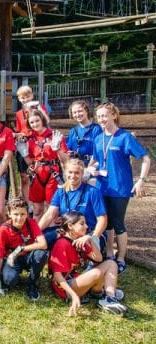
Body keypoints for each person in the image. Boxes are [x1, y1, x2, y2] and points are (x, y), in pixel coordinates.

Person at [89, 102, 150, 274]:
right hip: (102, 187)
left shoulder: (125, 137)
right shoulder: (98, 138)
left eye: (104, 115)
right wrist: (89, 169)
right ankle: (109, 253)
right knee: (105, 222)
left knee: (118, 223)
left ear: (113, 116)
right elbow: (95, 159)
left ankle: (121, 257)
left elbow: (145, 159)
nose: (101, 119)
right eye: (99, 116)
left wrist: (141, 181)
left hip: (120, 188)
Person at [48, 211, 127, 316]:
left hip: (79, 279)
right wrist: (73, 296)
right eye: (82, 223)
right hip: (66, 287)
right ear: (70, 226)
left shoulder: (80, 241)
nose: (86, 226)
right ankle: (97, 292)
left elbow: (98, 259)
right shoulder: (62, 244)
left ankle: (109, 298)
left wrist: (90, 240)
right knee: (96, 273)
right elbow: (57, 276)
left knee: (111, 263)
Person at [39, 158, 107, 249]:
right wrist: (36, 232)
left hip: (88, 232)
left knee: (78, 249)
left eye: (77, 173)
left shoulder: (93, 192)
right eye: (70, 172)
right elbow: (49, 214)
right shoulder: (60, 191)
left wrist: (92, 237)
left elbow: (102, 220)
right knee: (41, 240)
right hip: (67, 231)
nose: (73, 175)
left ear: (82, 174)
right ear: (65, 173)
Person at [0, 197, 48, 301]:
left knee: (41, 254)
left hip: (28, 255)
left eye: (23, 214)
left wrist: (21, 249)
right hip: (12, 259)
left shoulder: (31, 223)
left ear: (27, 214)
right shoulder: (3, 230)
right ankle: (13, 276)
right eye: (16, 214)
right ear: (9, 214)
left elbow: (43, 244)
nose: (19, 218)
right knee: (9, 280)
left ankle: (31, 283)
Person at [19, 109, 68, 219]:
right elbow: (31, 162)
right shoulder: (31, 139)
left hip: (52, 173)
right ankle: (37, 233)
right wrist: (24, 153)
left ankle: (51, 233)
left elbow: (66, 160)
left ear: (42, 120)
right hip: (37, 174)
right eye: (32, 122)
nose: (35, 124)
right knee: (37, 210)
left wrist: (57, 149)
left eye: (37, 121)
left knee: (53, 208)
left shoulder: (54, 136)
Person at [14, 86, 49, 203]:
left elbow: (47, 122)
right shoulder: (19, 114)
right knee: (24, 176)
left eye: (27, 96)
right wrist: (18, 135)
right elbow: (20, 130)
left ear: (32, 96)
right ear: (19, 99)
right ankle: (26, 203)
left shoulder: (40, 108)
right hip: (25, 144)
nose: (25, 100)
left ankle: (39, 202)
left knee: (38, 173)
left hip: (38, 143)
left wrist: (38, 107)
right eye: (22, 98)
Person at [66, 100, 101, 167]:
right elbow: (68, 150)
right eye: (74, 112)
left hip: (92, 167)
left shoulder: (96, 129)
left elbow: (99, 152)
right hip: (77, 167)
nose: (77, 114)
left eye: (80, 111)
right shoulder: (73, 131)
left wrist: (88, 168)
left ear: (86, 111)